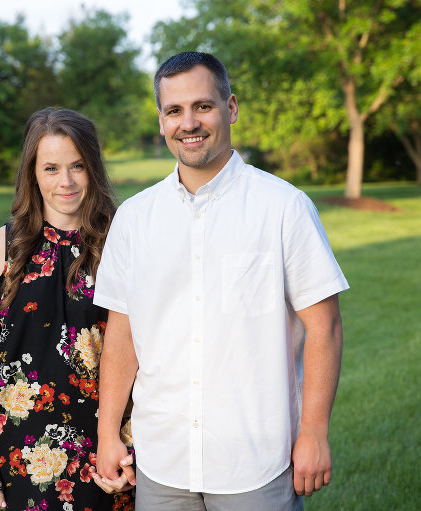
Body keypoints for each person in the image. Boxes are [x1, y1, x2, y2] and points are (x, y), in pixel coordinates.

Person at [91, 52, 350, 510]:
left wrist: (314, 431)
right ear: (161, 121)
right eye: (174, 111)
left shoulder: (284, 207)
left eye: (202, 106)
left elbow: (324, 327)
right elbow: (121, 334)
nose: (188, 122)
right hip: (162, 461)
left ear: (230, 108)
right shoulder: (134, 218)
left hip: (255, 462)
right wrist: (107, 431)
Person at [0, 107, 134, 511]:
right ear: (33, 174)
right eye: (51, 168)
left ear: (94, 168)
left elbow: (147, 356)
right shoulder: (1, 247)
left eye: (78, 166)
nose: (66, 181)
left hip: (106, 454)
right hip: (21, 457)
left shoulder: (122, 243)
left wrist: (130, 445)